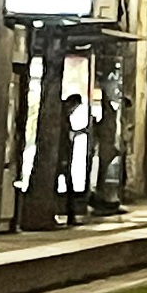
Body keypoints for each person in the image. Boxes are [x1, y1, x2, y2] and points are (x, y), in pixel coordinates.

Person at [57, 93, 84, 225]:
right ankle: (70, 215)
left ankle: (70, 215)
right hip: (62, 156)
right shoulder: (61, 115)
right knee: (68, 185)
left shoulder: (64, 115)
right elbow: (62, 137)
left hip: (64, 155)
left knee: (68, 185)